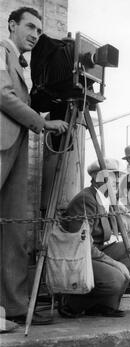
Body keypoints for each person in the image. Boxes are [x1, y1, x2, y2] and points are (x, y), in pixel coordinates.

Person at [0, 7, 69, 325]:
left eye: (39, 30)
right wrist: (42, 124)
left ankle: (13, 307)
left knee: (14, 227)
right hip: (3, 143)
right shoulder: (1, 50)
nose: (35, 34)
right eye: (30, 26)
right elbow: (1, 95)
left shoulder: (25, 65)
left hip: (18, 145)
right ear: (12, 25)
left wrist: (43, 121)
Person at [58, 159, 130, 318]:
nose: (118, 181)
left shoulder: (107, 199)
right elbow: (81, 244)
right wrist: (115, 263)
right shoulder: (86, 199)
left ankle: (104, 305)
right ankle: (72, 304)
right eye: (113, 177)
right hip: (80, 256)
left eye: (119, 177)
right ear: (98, 177)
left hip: (97, 251)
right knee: (116, 277)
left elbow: (110, 233)